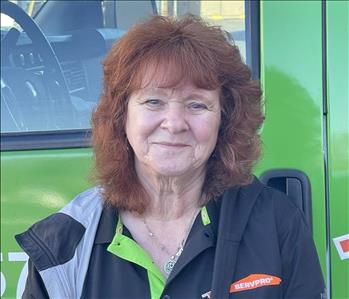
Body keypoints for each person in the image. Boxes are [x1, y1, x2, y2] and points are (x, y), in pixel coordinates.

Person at [16, 15, 325, 299]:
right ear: (122, 116)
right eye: (153, 101)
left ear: (225, 120)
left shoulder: (277, 224)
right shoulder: (62, 245)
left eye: (197, 105)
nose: (175, 123)